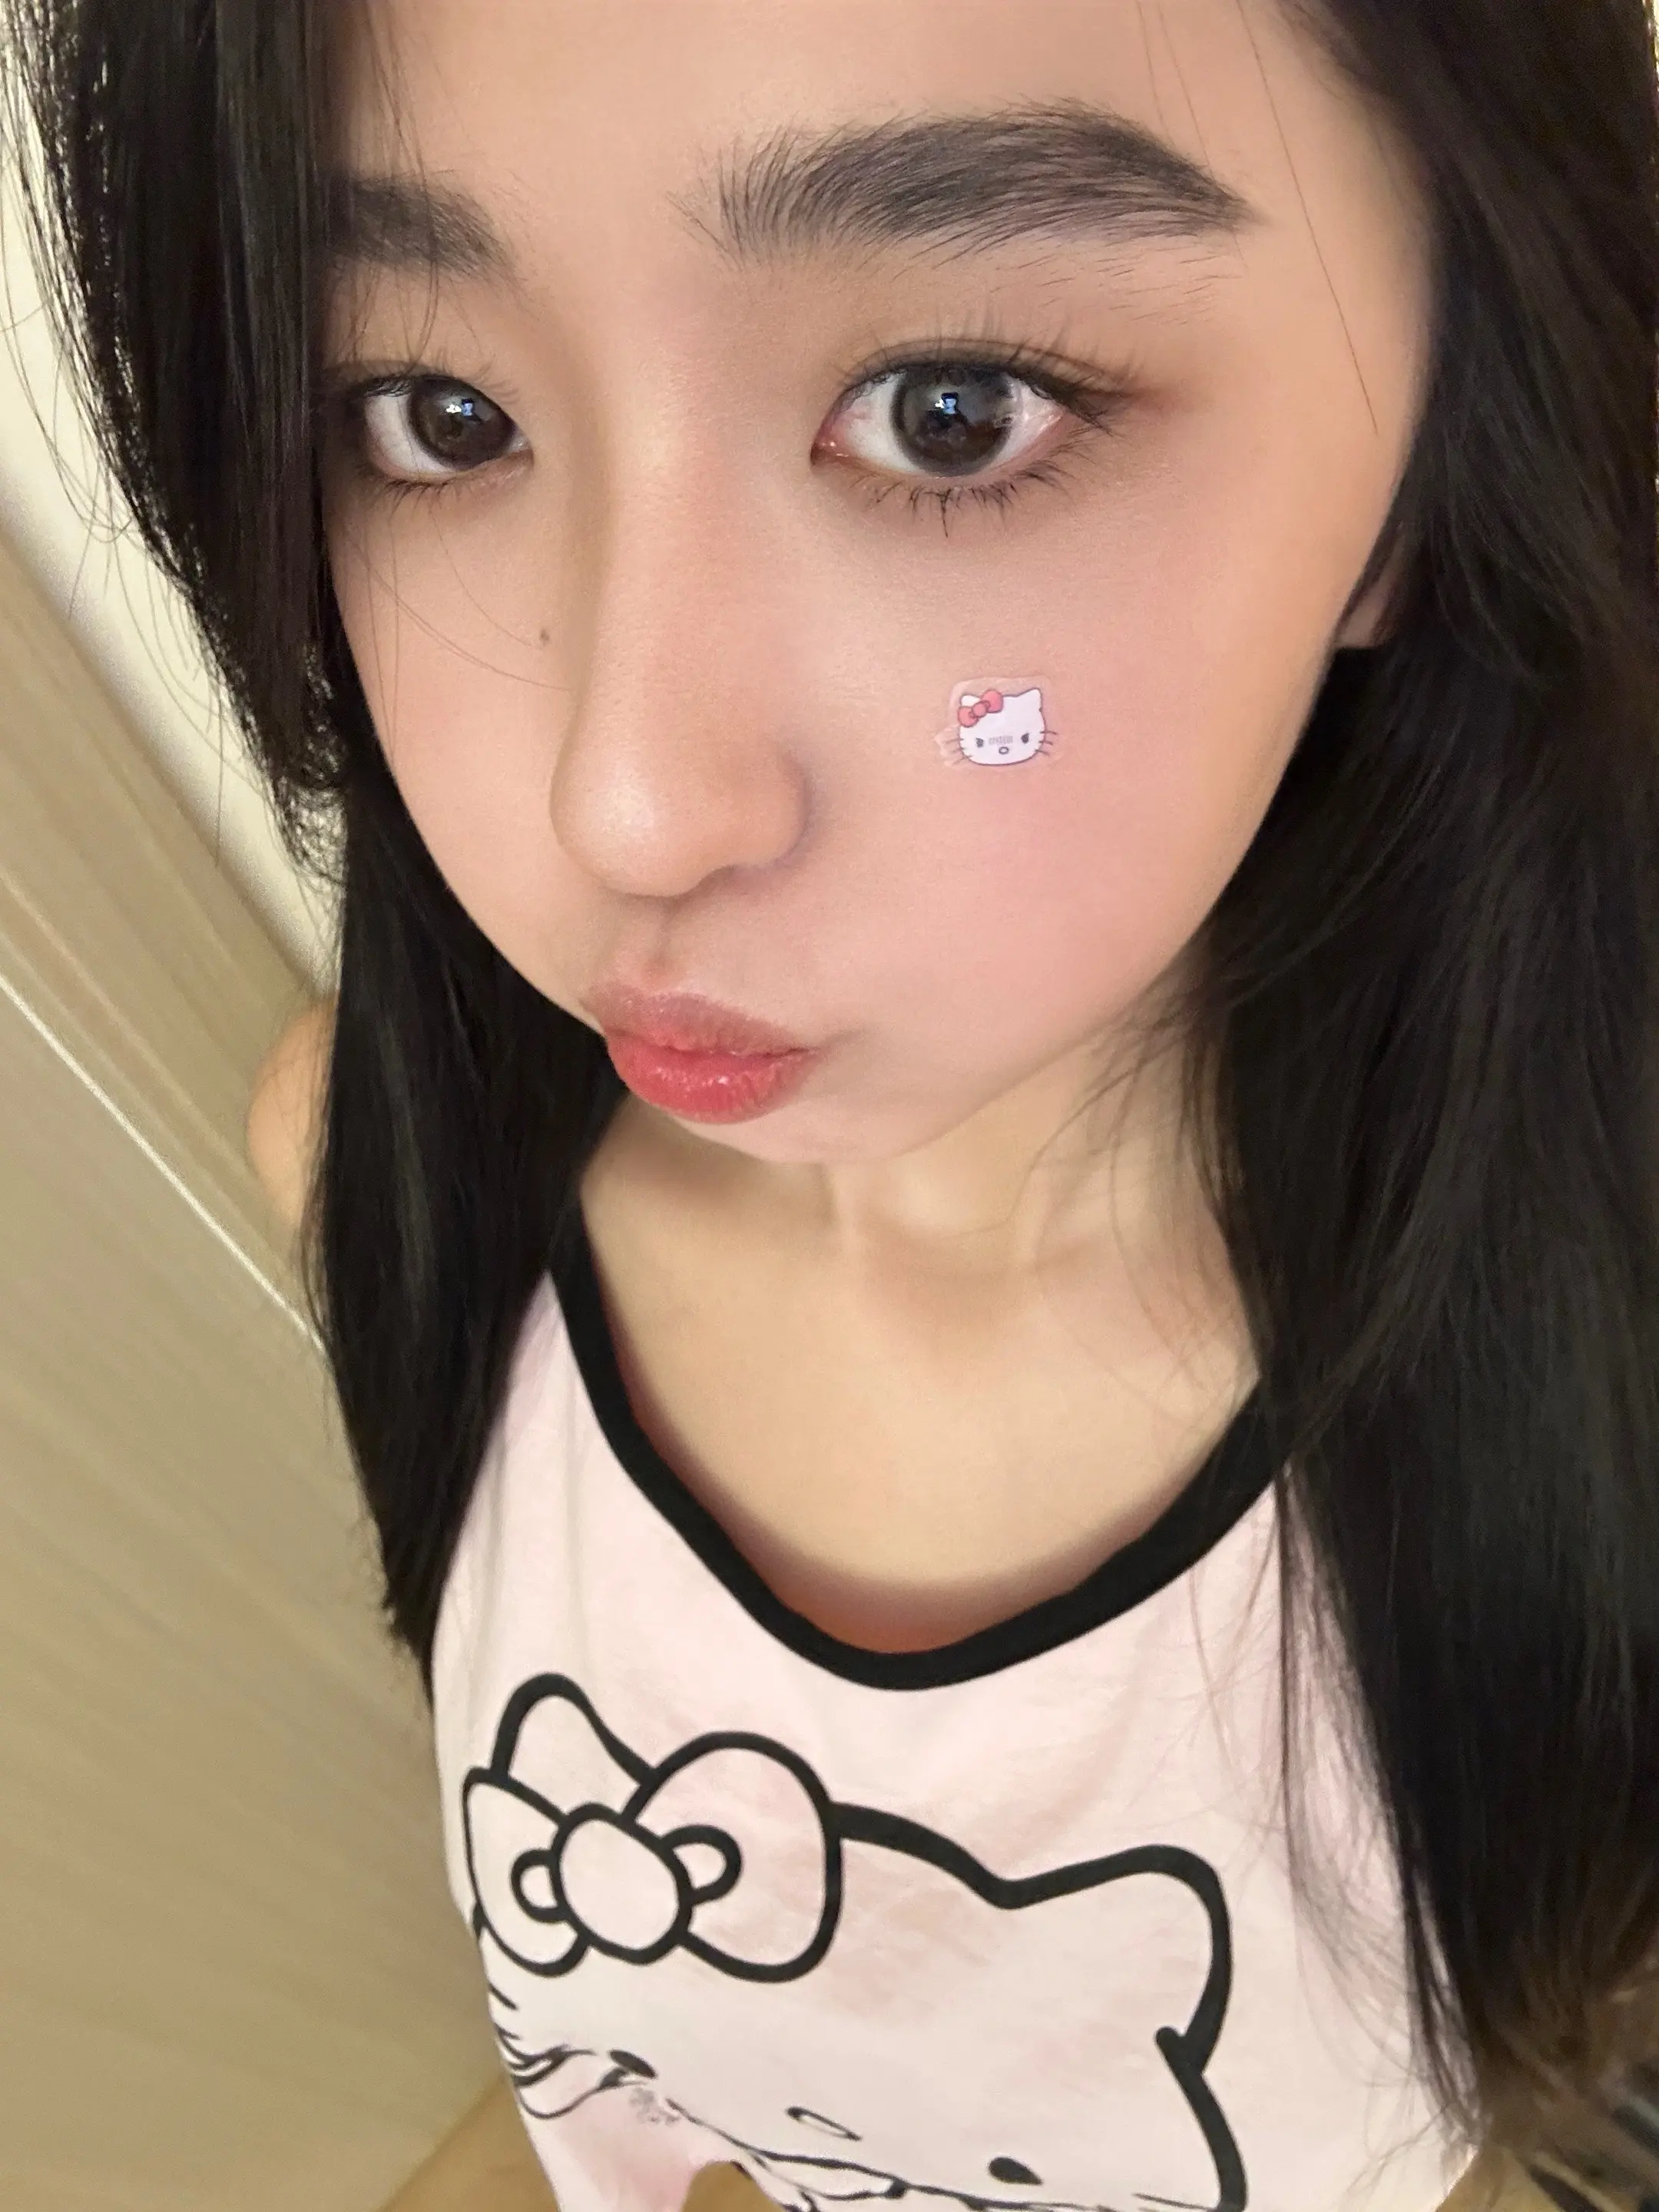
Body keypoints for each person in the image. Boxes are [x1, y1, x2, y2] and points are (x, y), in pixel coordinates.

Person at [7, 3, 1657, 2208]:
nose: (625, 803)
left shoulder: (1591, 1358)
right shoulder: (379, 1180)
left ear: (1438, 454)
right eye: (436, 414)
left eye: (952, 414)